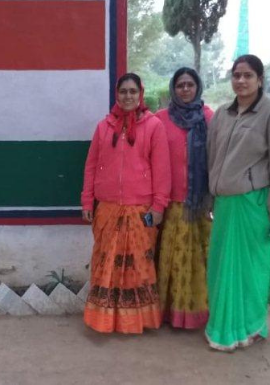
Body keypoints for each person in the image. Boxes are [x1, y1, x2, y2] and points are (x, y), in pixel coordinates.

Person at [205, 54, 270, 351]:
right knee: (221, 270)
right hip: (225, 206)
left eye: (247, 75)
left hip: (254, 205)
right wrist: (210, 197)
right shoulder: (222, 114)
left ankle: (250, 327)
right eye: (236, 75)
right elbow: (211, 158)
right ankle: (223, 328)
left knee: (251, 272)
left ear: (260, 79)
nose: (241, 81)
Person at [80, 73, 170, 334]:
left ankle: (136, 320)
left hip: (140, 210)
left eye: (133, 91)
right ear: (116, 94)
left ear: (140, 94)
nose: (128, 96)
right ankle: (105, 319)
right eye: (123, 91)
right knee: (105, 266)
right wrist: (87, 201)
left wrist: (158, 207)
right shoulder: (104, 126)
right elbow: (91, 166)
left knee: (138, 268)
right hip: (107, 208)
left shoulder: (153, 126)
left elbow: (162, 170)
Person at [155, 67, 215, 330]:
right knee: (171, 261)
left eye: (190, 84)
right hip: (170, 203)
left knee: (199, 262)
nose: (185, 89)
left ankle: (201, 313)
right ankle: (170, 313)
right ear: (173, 88)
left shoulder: (210, 118)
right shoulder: (160, 119)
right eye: (180, 85)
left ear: (197, 87)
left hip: (200, 205)